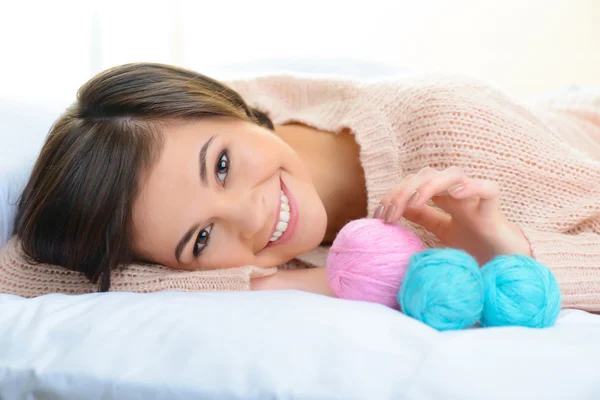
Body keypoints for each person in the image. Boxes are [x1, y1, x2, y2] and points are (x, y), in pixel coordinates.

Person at [2, 63, 599, 311]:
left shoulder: (450, 133)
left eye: (223, 168)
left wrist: (505, 250)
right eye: (203, 237)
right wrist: (313, 279)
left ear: (229, 106)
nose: (252, 217)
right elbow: (22, 275)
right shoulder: (173, 146)